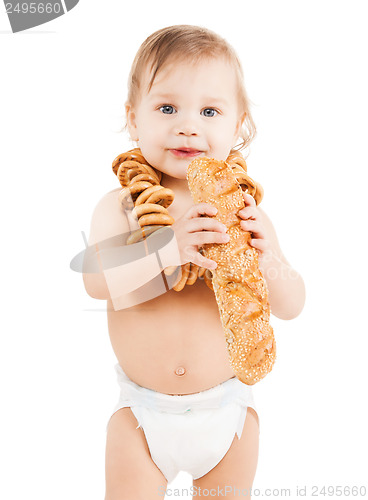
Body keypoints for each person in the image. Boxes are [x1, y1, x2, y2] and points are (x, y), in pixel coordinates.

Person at [83, 24, 305, 499]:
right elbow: (97, 281)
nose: (188, 125)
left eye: (209, 111)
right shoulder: (121, 206)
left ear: (237, 125)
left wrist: (269, 258)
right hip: (141, 419)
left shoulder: (244, 211)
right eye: (167, 108)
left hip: (226, 413)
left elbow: (291, 305)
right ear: (133, 118)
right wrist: (167, 248)